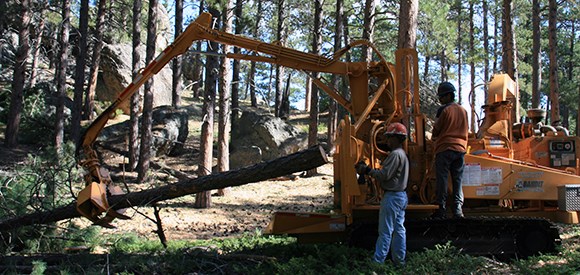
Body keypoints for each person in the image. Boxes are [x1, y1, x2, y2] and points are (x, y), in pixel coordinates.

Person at [355, 122, 409, 266]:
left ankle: (377, 263)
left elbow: (384, 175)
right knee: (399, 230)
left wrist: (367, 170)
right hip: (401, 196)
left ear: (395, 138)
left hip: (392, 197)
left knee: (385, 231)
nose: (386, 141)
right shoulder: (402, 154)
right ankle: (399, 261)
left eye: (389, 137)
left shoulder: (395, 155)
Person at [431, 81, 469, 219]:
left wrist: (434, 137)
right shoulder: (463, 110)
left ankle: (441, 208)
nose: (440, 100)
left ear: (448, 96)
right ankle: (458, 210)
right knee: (457, 180)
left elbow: (436, 129)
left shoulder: (444, 110)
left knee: (442, 178)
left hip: (445, 148)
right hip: (460, 149)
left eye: (441, 97)